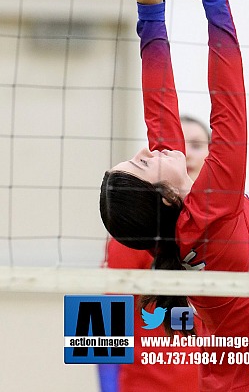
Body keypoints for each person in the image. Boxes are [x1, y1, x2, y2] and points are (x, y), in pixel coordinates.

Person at [100, 0, 249, 391]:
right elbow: (94, 328)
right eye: (145, 159)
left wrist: (150, 10)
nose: (164, 148)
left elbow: (158, 106)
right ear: (164, 193)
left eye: (198, 144)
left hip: (219, 380)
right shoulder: (208, 209)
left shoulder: (175, 218)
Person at [98, 116, 209, 392]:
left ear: (212, 156)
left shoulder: (230, 234)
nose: (187, 154)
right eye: (180, 145)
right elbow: (101, 326)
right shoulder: (131, 234)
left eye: (196, 145)